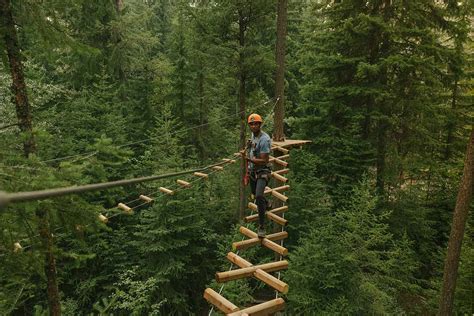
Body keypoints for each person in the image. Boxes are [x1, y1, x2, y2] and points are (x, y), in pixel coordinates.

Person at [245, 113, 272, 238]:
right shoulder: (253, 136)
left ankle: (262, 227)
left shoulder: (264, 140)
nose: (254, 126)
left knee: (259, 195)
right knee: (256, 196)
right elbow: (253, 147)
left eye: (256, 124)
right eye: (251, 124)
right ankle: (266, 203)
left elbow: (264, 160)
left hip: (263, 171)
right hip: (252, 171)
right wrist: (248, 147)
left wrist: (249, 159)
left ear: (260, 124)